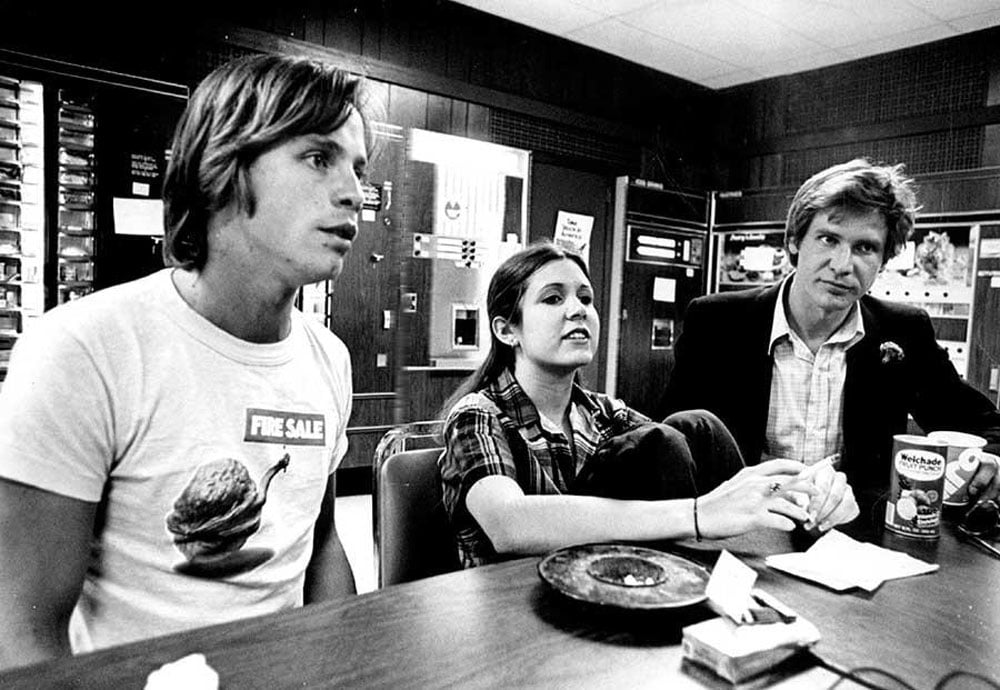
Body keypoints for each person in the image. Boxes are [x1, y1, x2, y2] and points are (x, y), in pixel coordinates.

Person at [0, 53, 369, 668]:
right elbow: (19, 628)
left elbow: (320, 541)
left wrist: (349, 668)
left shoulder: (328, 358)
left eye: (358, 168)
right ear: (224, 167)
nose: (355, 192)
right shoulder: (84, 349)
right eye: (318, 158)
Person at [439, 241, 858, 568]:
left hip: (598, 578)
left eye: (585, 299)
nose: (577, 311)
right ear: (507, 330)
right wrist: (697, 515)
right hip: (511, 601)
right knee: (668, 440)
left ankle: (778, 538)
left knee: (697, 426)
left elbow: (677, 452)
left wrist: (810, 491)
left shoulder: (602, 412)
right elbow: (508, 525)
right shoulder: (479, 413)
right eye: (553, 299)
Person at [662, 158, 1000, 512]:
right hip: (740, 530)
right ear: (794, 241)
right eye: (828, 239)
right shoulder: (718, 320)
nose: (842, 265)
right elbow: (671, 438)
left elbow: (986, 425)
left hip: (851, 543)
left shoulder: (903, 330)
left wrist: (990, 458)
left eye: (864, 248)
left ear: (884, 261)